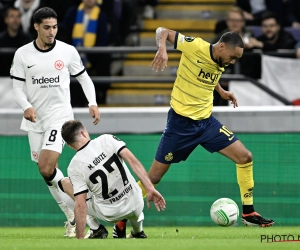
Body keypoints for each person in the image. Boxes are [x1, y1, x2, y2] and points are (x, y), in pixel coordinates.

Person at [116, 27, 275, 233]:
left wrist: (221, 91)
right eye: (233, 57)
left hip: (206, 123)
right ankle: (121, 216)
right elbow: (162, 30)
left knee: (245, 157)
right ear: (222, 46)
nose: (233, 62)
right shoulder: (195, 46)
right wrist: (162, 49)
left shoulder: (220, 60)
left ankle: (248, 213)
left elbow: (210, 74)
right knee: (153, 177)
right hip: (180, 125)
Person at [10, 7, 102, 237]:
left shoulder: (67, 51)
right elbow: (17, 89)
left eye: (55, 27)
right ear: (36, 27)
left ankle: (83, 216)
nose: (52, 32)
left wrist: (92, 102)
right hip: (34, 120)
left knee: (46, 166)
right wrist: (26, 107)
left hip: (59, 118)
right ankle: (79, 218)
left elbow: (83, 77)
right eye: (47, 28)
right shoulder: (22, 54)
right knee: (47, 173)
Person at [60, 120, 166, 239]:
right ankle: (138, 231)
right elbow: (133, 161)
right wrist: (150, 188)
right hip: (136, 202)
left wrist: (79, 238)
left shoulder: (74, 166)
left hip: (110, 214)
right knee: (134, 202)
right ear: (84, 133)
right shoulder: (106, 139)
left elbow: (80, 205)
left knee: (64, 183)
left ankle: (96, 228)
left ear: (69, 145)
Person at [0, 7, 32, 76]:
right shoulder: (1, 39)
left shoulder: (27, 39)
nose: (15, 20)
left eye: (18, 17)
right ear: (6, 19)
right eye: (12, 16)